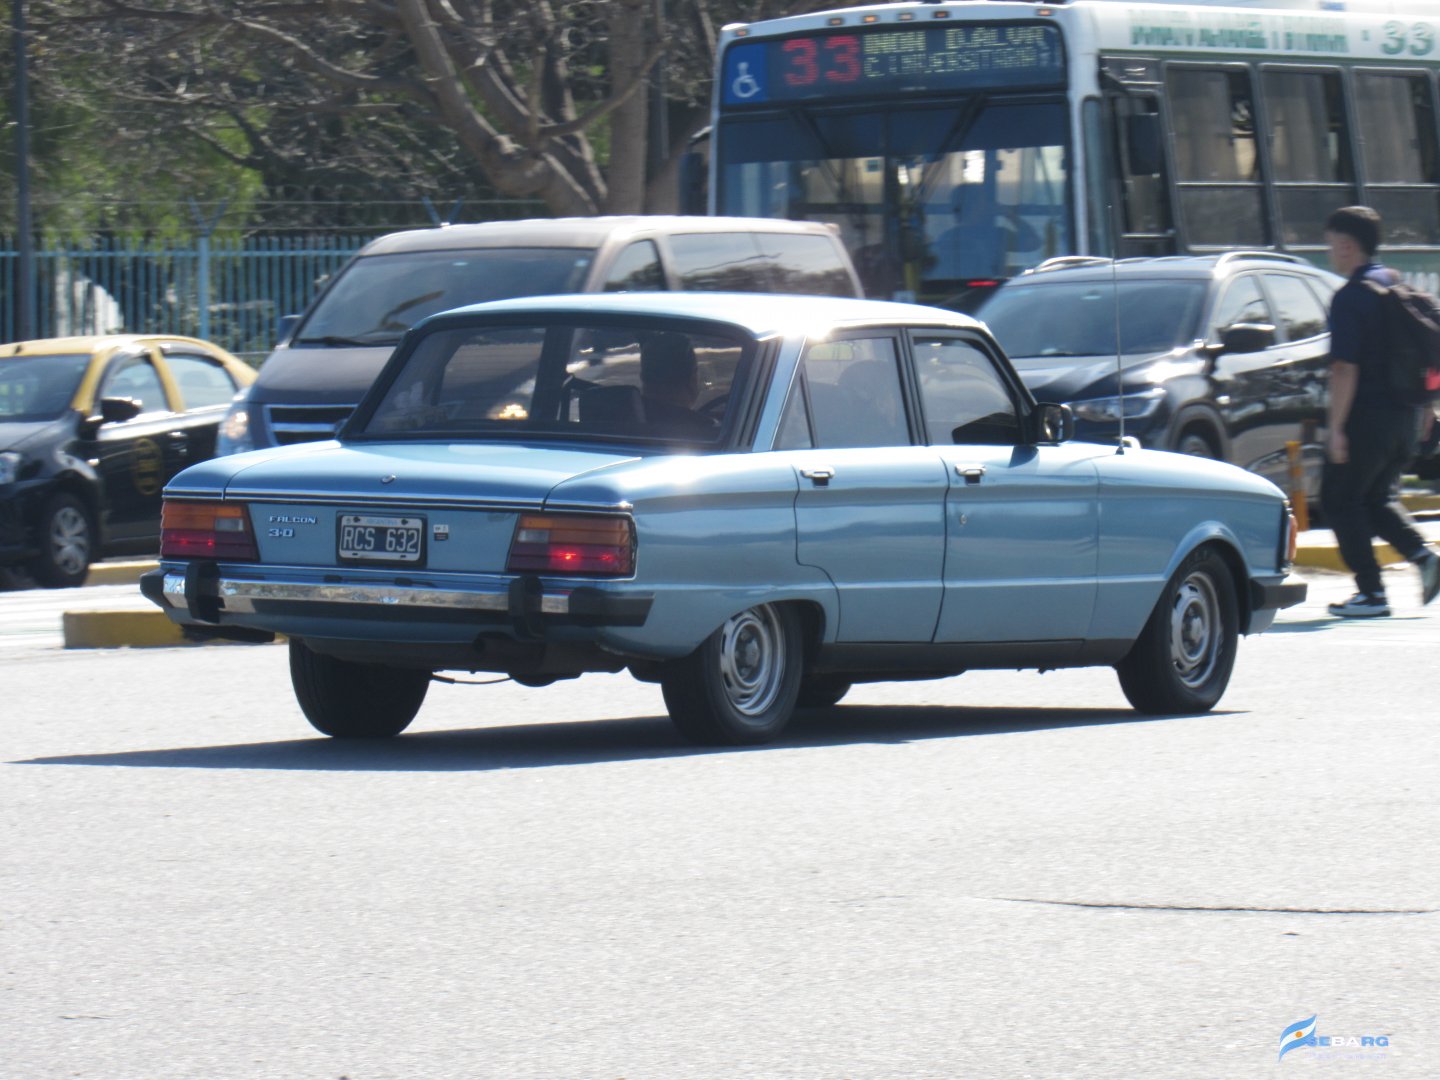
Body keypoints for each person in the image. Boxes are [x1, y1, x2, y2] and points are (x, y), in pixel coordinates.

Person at [1319, 206, 1440, 617]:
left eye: (1333, 245)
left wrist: (1336, 428)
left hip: (1367, 417)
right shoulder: (1395, 284)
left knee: (1338, 498)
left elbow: (1343, 368)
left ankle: (1371, 594)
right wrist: (1427, 406)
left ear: (1348, 245)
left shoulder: (1350, 298)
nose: (1331, 253)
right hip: (1406, 415)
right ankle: (1425, 559)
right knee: (1375, 499)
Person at [639, 332, 717, 436]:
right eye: (696, 372)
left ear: (643, 377)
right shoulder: (705, 430)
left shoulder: (621, 422)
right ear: (692, 379)